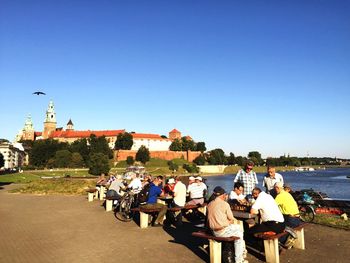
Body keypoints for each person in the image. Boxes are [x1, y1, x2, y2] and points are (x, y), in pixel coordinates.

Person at [207, 186, 247, 263]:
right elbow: (231, 219)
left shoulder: (210, 204)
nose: (226, 196)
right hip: (221, 231)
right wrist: (227, 222)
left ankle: (243, 251)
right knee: (239, 233)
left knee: (237, 228)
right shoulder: (225, 204)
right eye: (225, 194)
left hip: (213, 231)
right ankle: (239, 259)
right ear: (223, 195)